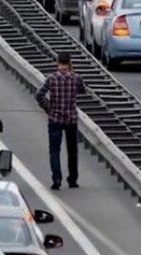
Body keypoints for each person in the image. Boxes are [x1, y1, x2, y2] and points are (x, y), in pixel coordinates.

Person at [35, 53, 84, 190]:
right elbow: (82, 90)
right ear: (69, 62)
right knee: (72, 151)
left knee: (54, 150)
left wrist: (48, 108)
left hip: (55, 118)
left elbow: (39, 94)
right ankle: (72, 180)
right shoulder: (76, 78)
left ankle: (57, 178)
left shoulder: (51, 78)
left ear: (57, 62)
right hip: (71, 118)